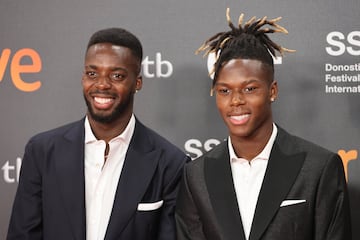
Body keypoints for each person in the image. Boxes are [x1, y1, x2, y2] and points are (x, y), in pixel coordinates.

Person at [175, 8, 352, 240]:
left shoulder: (319, 168)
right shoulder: (195, 176)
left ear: (272, 91)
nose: (236, 101)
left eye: (250, 89)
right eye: (225, 90)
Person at [7, 27, 189, 240]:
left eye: (117, 75)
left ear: (137, 83)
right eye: (92, 74)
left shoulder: (170, 163)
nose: (102, 84)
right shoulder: (42, 151)